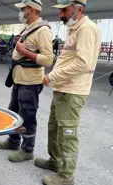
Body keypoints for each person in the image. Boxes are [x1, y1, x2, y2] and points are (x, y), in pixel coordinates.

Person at [37, 1, 100, 184]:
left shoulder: (86, 29)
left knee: (67, 134)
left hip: (72, 91)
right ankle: (55, 162)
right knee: (54, 129)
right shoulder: (75, 28)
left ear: (78, 9)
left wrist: (53, 76)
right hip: (63, 89)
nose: (60, 14)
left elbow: (83, 63)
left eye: (64, 10)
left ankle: (66, 176)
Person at [0, 0, 53, 162]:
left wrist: (24, 52)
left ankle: (27, 150)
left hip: (31, 81)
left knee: (28, 115)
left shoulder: (43, 31)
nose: (21, 12)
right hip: (19, 78)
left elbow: (48, 59)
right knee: (14, 111)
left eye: (23, 9)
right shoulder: (30, 28)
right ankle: (13, 141)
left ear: (33, 10)